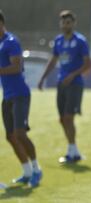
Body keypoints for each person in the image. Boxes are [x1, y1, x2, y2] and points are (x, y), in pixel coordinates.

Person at [38, 10, 91, 163]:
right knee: (62, 119)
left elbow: (88, 64)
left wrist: (73, 75)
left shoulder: (80, 41)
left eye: (68, 22)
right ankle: (73, 150)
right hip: (62, 84)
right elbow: (53, 61)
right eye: (63, 22)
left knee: (68, 117)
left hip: (75, 84)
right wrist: (43, 78)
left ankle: (72, 151)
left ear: (74, 24)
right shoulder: (59, 40)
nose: (65, 25)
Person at [0, 10, 42, 187]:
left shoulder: (11, 42)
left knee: (20, 134)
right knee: (10, 136)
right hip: (7, 96)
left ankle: (36, 169)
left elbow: (16, 68)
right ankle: (26, 172)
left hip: (20, 94)